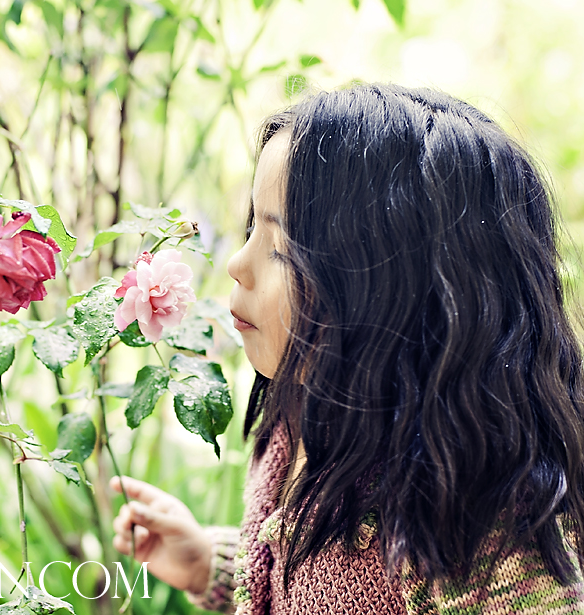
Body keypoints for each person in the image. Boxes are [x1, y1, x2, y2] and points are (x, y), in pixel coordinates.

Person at [110, 84, 584, 614]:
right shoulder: (297, 420)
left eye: (281, 250)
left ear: (394, 298)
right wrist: (210, 563)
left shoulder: (467, 528)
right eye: (250, 230)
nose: (236, 265)